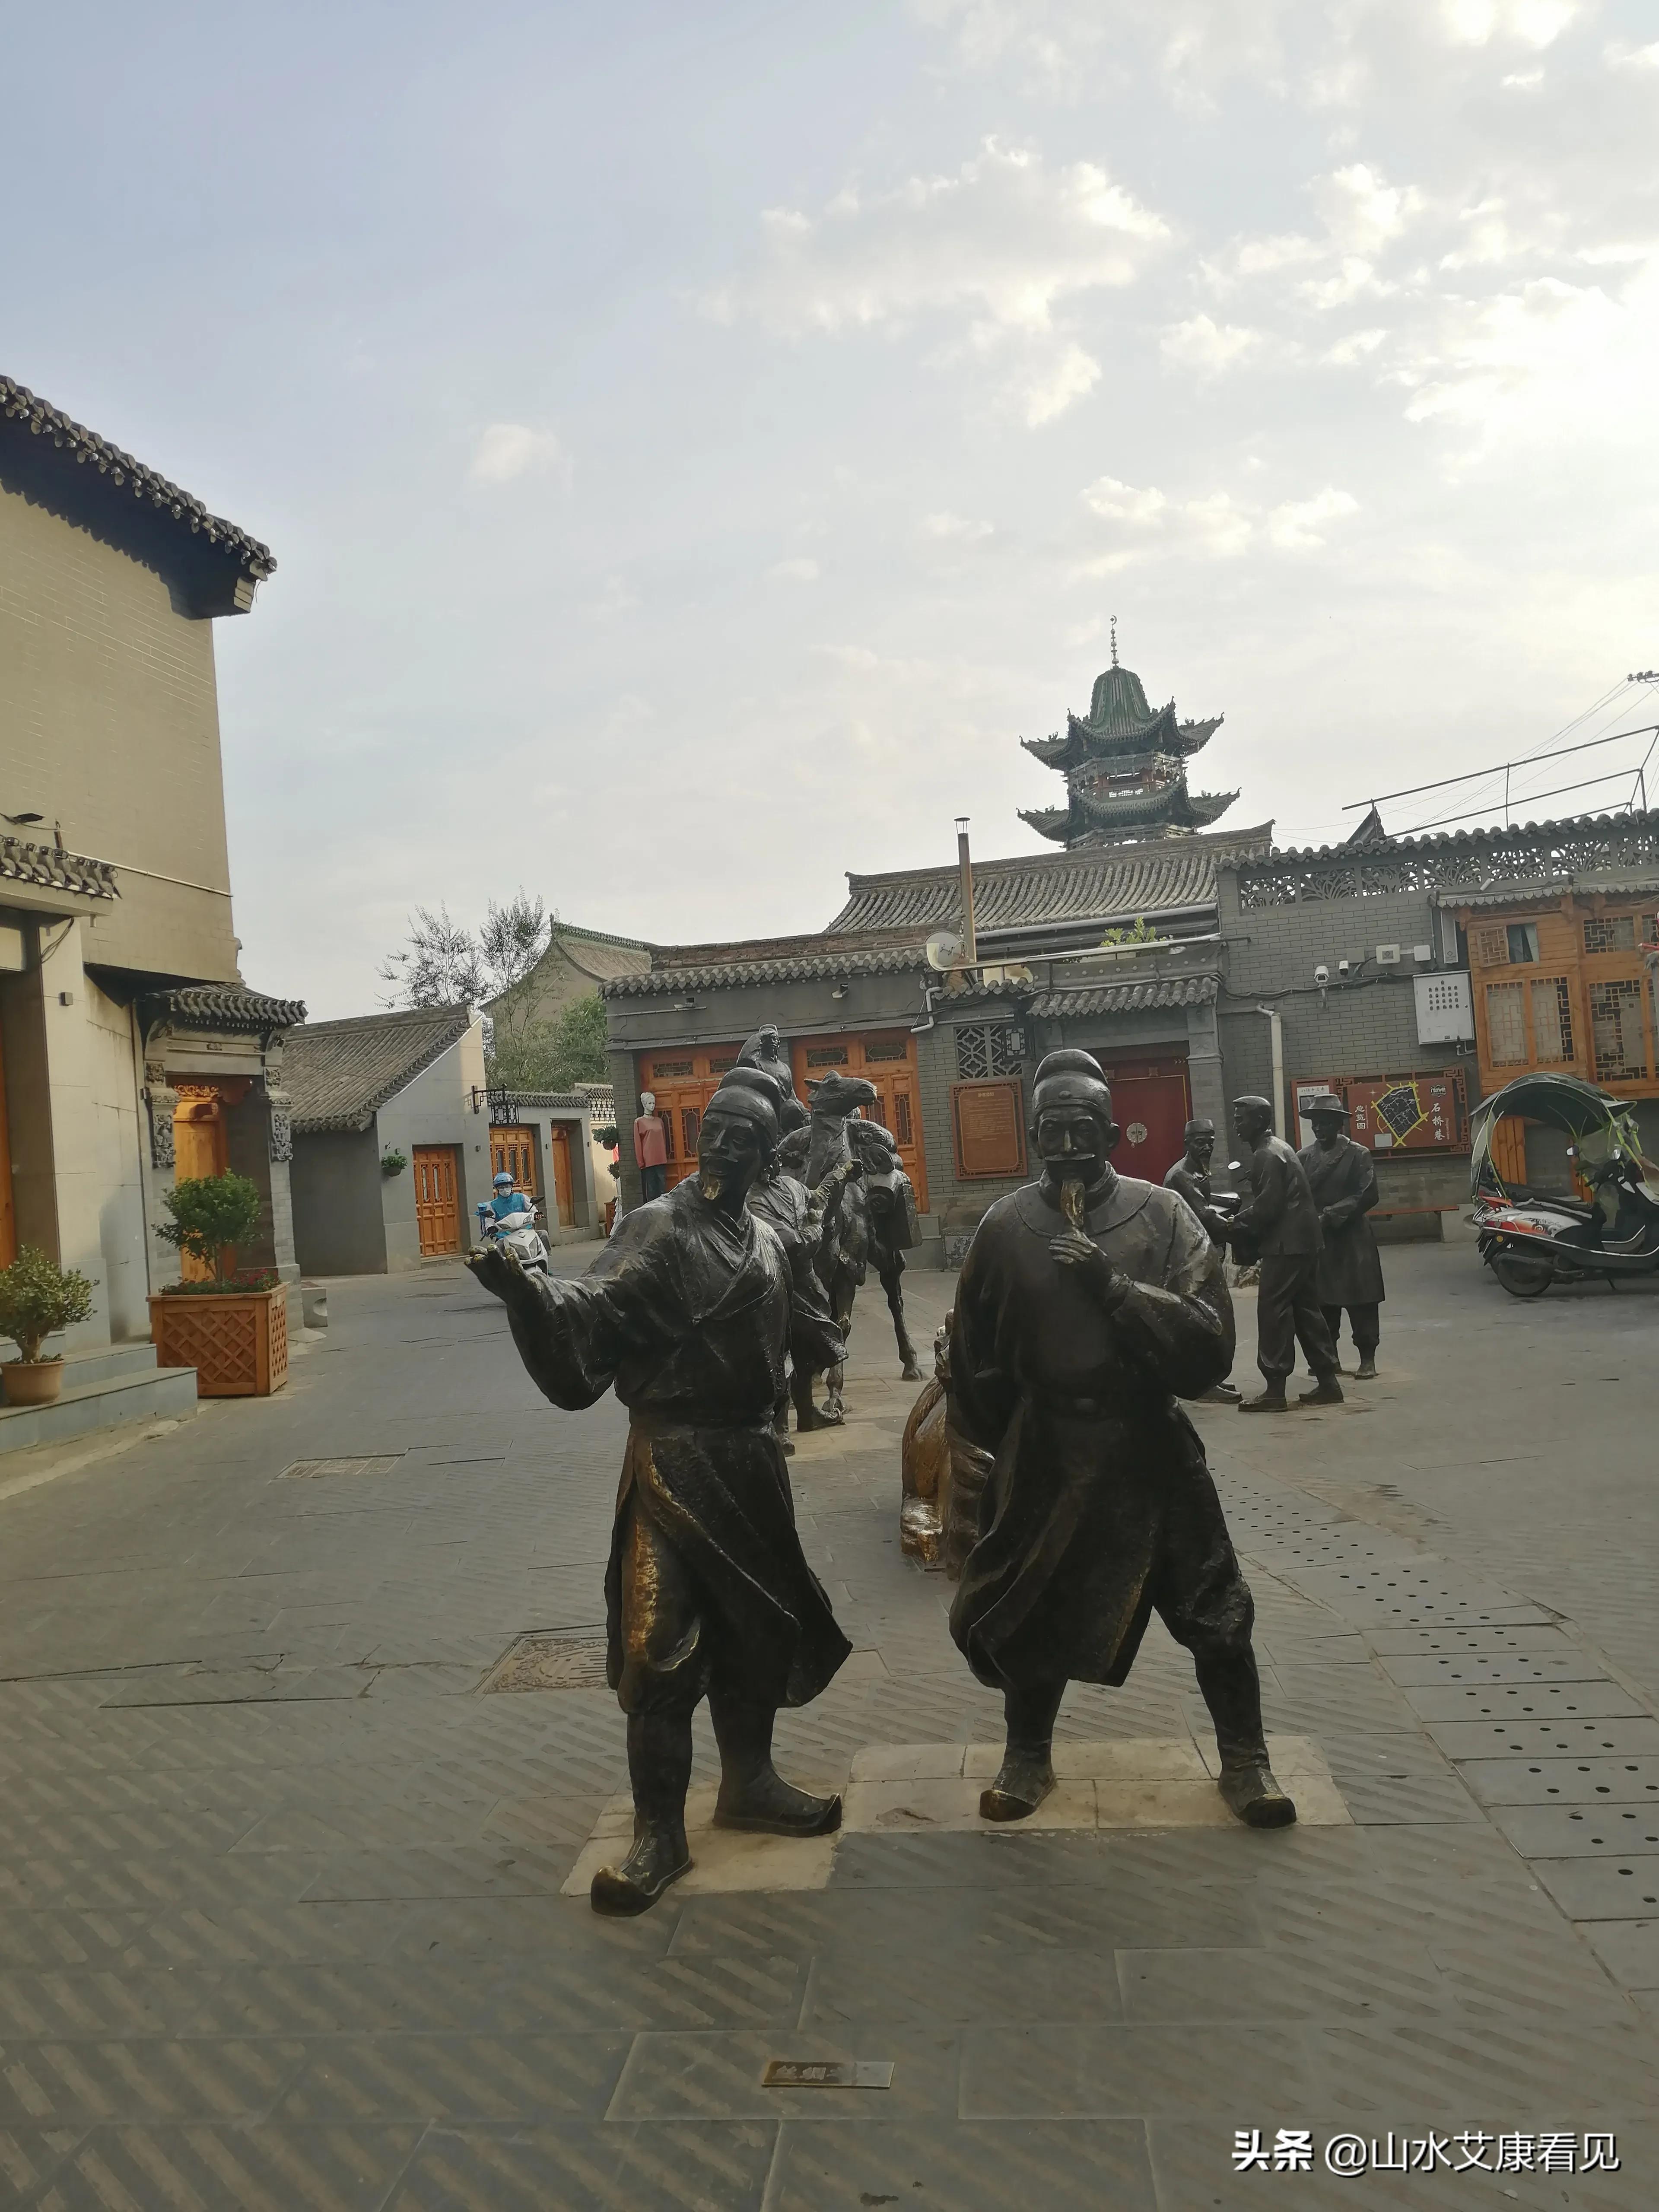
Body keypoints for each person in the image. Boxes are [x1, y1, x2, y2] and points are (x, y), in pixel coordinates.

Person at [468, 1066, 849, 1916]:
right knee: (656, 1645)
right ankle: (658, 1833)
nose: (723, 1144)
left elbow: (811, 1328)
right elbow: (591, 1308)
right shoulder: (658, 1227)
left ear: (763, 1154)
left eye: (743, 1135)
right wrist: (529, 1297)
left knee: (757, 1632)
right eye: (714, 1128)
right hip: (671, 1463)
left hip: (751, 1462)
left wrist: (819, 1320)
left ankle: (750, 1781)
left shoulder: (771, 1235)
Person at [946, 1049, 1296, 1831]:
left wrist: (1113, 1287)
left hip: (1150, 1446)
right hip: (1048, 1448)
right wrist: (1002, 1453)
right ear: (1035, 1135)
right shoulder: (1005, 1229)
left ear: (1111, 1131)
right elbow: (974, 1363)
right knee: (1032, 1606)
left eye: (1084, 1130)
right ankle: (1027, 1753)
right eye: (1053, 1132)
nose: (1069, 1147)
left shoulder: (1163, 1215)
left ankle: (1246, 1757)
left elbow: (1210, 1349)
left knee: (1215, 1608)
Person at [1228, 1096, 1343, 1412]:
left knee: (1273, 1311)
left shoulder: (1268, 1154)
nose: (1237, 1124)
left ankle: (1275, 1390)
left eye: (1242, 1119)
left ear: (1261, 1121)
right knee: (1306, 1310)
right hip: (1302, 1242)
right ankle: (1329, 1382)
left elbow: (1268, 1207)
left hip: (1287, 1245)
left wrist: (1233, 1223)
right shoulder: (1278, 1148)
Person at [1299, 1091, 1384, 1380]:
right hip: (1320, 1239)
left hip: (1352, 1236)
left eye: (1324, 1123)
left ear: (1339, 1125)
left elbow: (1368, 1194)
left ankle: (1367, 1357)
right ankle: (1328, 1357)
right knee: (1323, 1302)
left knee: (1362, 1299)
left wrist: (1332, 1215)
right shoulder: (1304, 1157)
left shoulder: (1358, 1154)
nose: (1319, 1128)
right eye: (1315, 1123)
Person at [633, 1090, 669, 1202]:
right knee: (651, 1191)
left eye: (653, 1103)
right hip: (648, 1161)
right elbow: (638, 1143)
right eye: (650, 1103)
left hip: (661, 1159)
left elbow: (664, 1139)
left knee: (663, 1189)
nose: (652, 1106)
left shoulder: (659, 1121)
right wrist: (641, 1162)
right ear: (644, 1104)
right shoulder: (639, 1122)